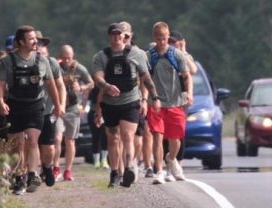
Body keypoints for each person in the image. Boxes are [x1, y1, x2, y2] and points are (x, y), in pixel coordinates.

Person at [0, 25, 64, 195]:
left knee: (33, 140)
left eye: (35, 38)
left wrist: (58, 106)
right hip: (15, 106)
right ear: (20, 42)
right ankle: (19, 178)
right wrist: (1, 102)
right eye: (31, 39)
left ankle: (32, 174)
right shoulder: (7, 62)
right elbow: (0, 84)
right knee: (16, 146)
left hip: (35, 106)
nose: (35, 42)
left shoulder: (42, 60)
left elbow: (51, 85)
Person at [92, 22, 160, 188]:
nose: (117, 37)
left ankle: (129, 167)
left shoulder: (137, 54)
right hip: (110, 103)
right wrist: (106, 86)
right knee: (113, 139)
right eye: (113, 34)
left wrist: (154, 97)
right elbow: (98, 77)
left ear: (125, 36)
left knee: (128, 136)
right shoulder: (101, 56)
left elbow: (146, 78)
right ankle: (115, 173)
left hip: (130, 101)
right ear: (110, 36)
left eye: (119, 34)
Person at [146, 22, 193, 185]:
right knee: (157, 137)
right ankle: (159, 171)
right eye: (159, 39)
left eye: (164, 39)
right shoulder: (149, 56)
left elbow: (187, 76)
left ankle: (171, 159)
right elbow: (145, 80)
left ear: (168, 37)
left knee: (175, 138)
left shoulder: (177, 55)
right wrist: (148, 99)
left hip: (175, 102)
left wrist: (189, 94)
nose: (162, 42)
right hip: (156, 103)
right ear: (154, 38)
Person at [53, 44, 94, 181]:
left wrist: (81, 87)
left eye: (68, 58)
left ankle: (68, 171)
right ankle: (56, 167)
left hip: (72, 107)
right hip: (58, 107)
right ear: (60, 56)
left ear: (73, 56)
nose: (66, 61)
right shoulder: (55, 67)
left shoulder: (78, 68)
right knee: (57, 138)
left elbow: (91, 83)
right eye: (64, 58)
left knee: (70, 140)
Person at [162, 29, 198, 181]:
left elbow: (193, 70)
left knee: (178, 134)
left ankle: (178, 164)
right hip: (166, 98)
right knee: (165, 134)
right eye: (169, 41)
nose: (171, 44)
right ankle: (169, 167)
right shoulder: (163, 55)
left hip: (181, 99)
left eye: (174, 42)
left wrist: (183, 51)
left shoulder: (183, 56)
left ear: (180, 42)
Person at [35, 31, 66, 187]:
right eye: (35, 42)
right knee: (33, 144)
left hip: (48, 109)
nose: (38, 46)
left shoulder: (51, 63)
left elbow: (60, 86)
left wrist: (60, 105)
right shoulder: (22, 62)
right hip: (30, 110)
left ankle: (47, 167)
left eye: (40, 43)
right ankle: (31, 173)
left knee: (49, 146)